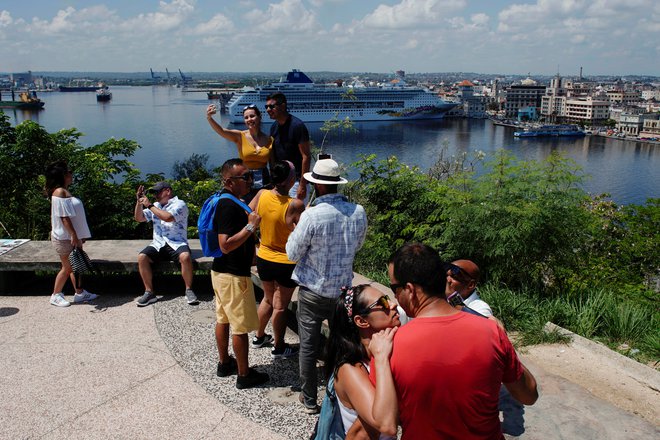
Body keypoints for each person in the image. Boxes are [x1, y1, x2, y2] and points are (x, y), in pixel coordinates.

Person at [380, 243, 538, 439]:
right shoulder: (491, 332)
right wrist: (504, 344)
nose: (394, 297)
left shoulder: (389, 346)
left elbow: (383, 421)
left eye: (394, 288)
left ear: (410, 290)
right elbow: (529, 395)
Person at [286, 158, 368, 414]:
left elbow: (292, 253)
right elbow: (358, 246)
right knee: (342, 346)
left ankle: (310, 399)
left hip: (312, 291)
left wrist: (295, 228)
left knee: (309, 348)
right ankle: (340, 396)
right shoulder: (358, 211)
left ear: (317, 186)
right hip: (343, 291)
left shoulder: (311, 216)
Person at [446, 259, 526, 436]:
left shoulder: (479, 308)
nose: (448, 278)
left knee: (508, 423)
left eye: (455, 275)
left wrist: (453, 301)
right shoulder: (446, 303)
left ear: (471, 284)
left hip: (493, 386)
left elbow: (480, 326)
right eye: (447, 272)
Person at [212, 158, 269, 389]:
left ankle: (225, 364)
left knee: (223, 318)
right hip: (234, 276)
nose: (250, 180)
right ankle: (244, 375)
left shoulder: (230, 201)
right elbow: (225, 244)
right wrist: (251, 226)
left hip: (221, 274)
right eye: (244, 177)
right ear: (229, 181)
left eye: (250, 175)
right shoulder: (228, 206)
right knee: (240, 327)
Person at [324, 284, 399, 439]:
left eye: (389, 298)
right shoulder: (349, 369)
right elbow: (386, 425)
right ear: (362, 321)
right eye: (382, 302)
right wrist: (381, 359)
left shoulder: (386, 351)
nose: (392, 305)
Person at [248, 160, 305, 359]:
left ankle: (259, 336)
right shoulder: (295, 204)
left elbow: (248, 212)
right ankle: (279, 347)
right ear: (291, 180)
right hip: (285, 262)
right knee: (280, 306)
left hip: (263, 256)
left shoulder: (262, 194)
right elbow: (305, 233)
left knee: (267, 298)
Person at [134, 181, 198, 307]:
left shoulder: (180, 204)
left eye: (158, 192)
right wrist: (139, 202)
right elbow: (139, 218)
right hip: (158, 243)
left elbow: (168, 217)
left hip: (177, 242)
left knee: (185, 256)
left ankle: (189, 289)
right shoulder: (156, 205)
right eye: (154, 193)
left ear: (168, 191)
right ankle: (149, 292)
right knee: (142, 257)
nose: (155, 195)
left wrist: (150, 205)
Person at [45, 160, 98, 307]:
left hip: (73, 237)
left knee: (77, 265)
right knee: (67, 267)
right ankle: (56, 294)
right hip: (64, 238)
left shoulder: (64, 190)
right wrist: (74, 235)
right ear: (63, 175)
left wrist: (79, 235)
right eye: (69, 172)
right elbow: (64, 217)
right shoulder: (59, 192)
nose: (71, 174)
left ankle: (79, 292)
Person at [206, 103, 273, 201]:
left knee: (263, 208)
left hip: (265, 180)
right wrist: (209, 118)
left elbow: (273, 164)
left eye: (252, 116)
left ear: (259, 117)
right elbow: (221, 131)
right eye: (246, 117)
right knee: (246, 208)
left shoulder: (269, 139)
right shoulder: (240, 136)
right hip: (245, 179)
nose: (249, 119)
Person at [265, 92, 311, 201]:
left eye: (271, 106)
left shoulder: (297, 126)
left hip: (296, 182)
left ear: (283, 106)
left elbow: (306, 156)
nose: (268, 109)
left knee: (297, 216)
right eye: (266, 107)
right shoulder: (274, 127)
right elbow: (273, 155)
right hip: (280, 182)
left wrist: (302, 185)